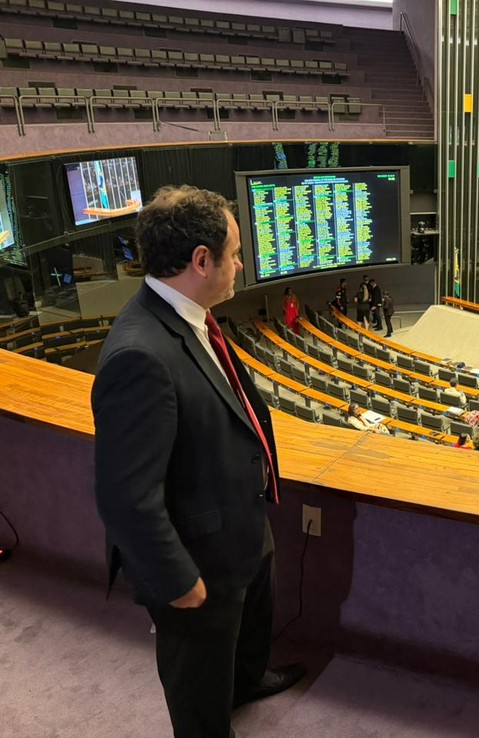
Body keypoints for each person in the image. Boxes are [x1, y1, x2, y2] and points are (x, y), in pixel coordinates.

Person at [91, 185, 304, 738]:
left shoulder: (191, 316)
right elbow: (124, 497)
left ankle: (245, 683)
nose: (242, 265)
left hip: (239, 526)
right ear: (201, 260)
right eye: (235, 253)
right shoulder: (139, 354)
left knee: (244, 635)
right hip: (196, 557)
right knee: (198, 683)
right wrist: (177, 580)